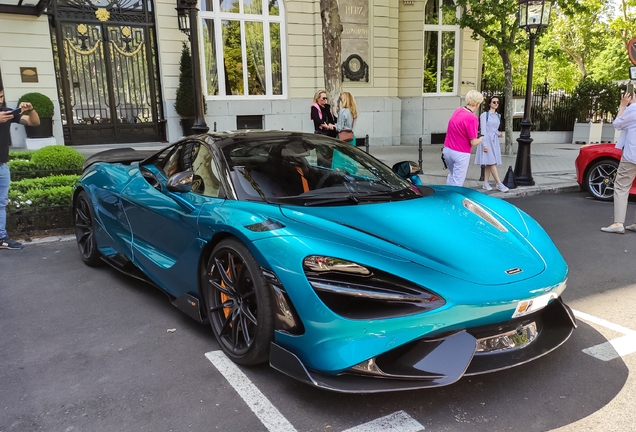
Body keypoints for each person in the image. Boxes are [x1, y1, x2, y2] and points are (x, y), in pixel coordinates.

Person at [0, 86, 40, 250]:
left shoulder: (8, 113)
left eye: (1, 96)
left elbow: (34, 122)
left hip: (2, 166)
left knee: (1, 203)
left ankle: (1, 238)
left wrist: (31, 110)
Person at [601, 91, 636, 234]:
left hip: (632, 155)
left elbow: (617, 124)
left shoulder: (633, 109)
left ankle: (618, 223)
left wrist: (622, 106)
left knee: (621, 186)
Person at [442, 90, 483, 186]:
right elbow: (473, 142)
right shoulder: (472, 118)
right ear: (477, 104)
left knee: (452, 175)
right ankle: (453, 200)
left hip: (447, 150)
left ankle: (447, 194)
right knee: (457, 182)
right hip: (461, 153)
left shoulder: (458, 110)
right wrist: (481, 139)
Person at [476, 96, 508, 192]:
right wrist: (484, 144)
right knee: (492, 162)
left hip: (494, 141)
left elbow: (494, 129)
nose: (496, 104)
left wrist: (499, 134)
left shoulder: (498, 116)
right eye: (494, 102)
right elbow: (484, 130)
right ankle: (499, 183)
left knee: (489, 163)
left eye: (497, 102)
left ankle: (485, 183)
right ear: (489, 103)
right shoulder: (484, 115)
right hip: (487, 140)